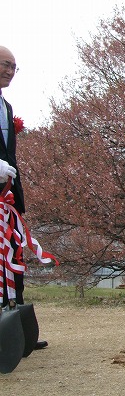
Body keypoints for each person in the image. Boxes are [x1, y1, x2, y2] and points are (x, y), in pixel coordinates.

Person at [0, 45, 48, 349]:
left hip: (8, 198)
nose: (10, 71)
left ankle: (15, 330)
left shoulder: (6, 106)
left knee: (13, 256)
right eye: (6, 64)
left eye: (14, 67)